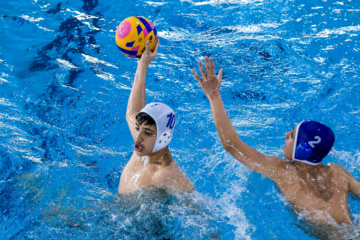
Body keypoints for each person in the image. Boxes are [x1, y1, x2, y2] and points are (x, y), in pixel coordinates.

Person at [191, 57, 360, 226]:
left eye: (292, 136)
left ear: (303, 150)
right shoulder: (338, 172)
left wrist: (213, 96)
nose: (286, 134)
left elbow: (231, 145)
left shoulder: (285, 173)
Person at [118, 41, 194, 194]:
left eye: (147, 132)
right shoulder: (143, 148)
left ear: (163, 137)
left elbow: (199, 210)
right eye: (138, 129)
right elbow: (132, 112)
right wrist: (142, 64)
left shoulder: (168, 176)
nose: (138, 137)